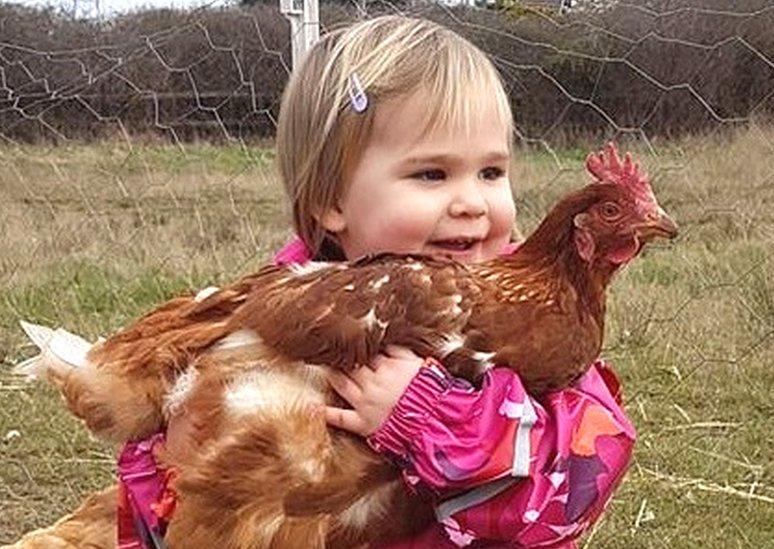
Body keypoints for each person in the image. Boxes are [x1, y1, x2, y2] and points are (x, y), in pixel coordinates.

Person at [256, 14, 637, 547]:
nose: (472, 203)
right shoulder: (285, 310)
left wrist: (429, 416)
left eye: (491, 173)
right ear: (330, 202)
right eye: (432, 174)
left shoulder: (532, 314)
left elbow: (578, 484)